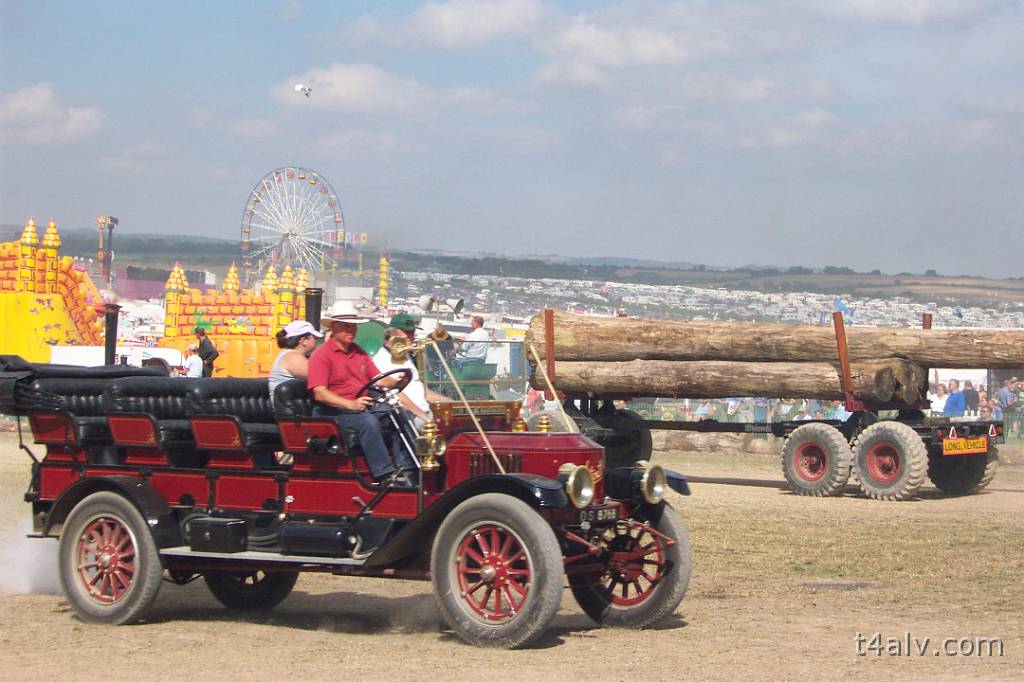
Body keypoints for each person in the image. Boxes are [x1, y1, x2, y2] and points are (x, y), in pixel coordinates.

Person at [307, 302, 417, 486]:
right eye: (345, 326)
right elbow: (319, 393)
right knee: (368, 422)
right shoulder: (322, 356)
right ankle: (383, 475)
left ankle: (407, 469)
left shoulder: (359, 352)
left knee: (398, 415)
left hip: (361, 407)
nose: (351, 330)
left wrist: (397, 382)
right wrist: (350, 404)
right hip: (332, 413)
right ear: (334, 327)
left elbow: (378, 379)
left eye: (353, 326)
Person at [372, 327, 449, 429]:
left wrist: (450, 402)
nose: (410, 339)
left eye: (412, 334)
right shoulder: (381, 360)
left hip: (424, 412)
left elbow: (421, 389)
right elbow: (396, 395)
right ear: (392, 338)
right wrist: (424, 417)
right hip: (405, 416)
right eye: (407, 336)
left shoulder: (406, 356)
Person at [269, 320, 322, 401]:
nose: (315, 341)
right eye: (314, 338)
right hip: (290, 411)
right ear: (304, 340)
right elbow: (320, 375)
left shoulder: (290, 355)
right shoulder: (293, 357)